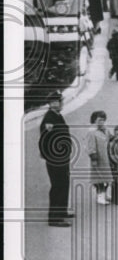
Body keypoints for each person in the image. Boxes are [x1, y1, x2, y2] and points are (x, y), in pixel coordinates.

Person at [39, 92, 73, 226]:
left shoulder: (56, 115)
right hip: (56, 159)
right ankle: (54, 218)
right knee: (58, 185)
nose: (62, 103)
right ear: (53, 103)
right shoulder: (50, 118)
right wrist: (51, 156)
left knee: (64, 183)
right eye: (60, 101)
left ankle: (61, 211)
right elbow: (44, 140)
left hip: (62, 158)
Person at [85, 110, 112, 205]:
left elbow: (110, 138)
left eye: (103, 120)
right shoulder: (92, 132)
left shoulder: (105, 129)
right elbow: (90, 146)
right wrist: (94, 158)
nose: (102, 122)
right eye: (99, 120)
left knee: (107, 177)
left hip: (106, 158)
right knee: (99, 179)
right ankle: (100, 196)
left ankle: (104, 194)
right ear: (94, 120)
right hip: (98, 159)